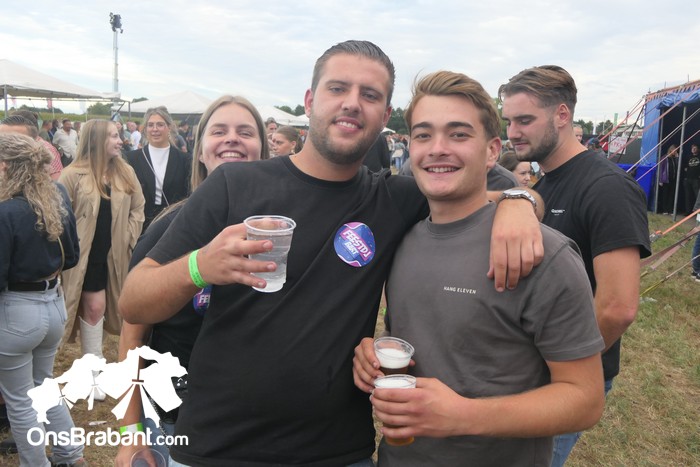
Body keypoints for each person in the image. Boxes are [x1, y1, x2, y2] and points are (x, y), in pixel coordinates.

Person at [118, 40, 542, 467]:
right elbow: (134, 302)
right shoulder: (233, 184)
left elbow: (481, 198)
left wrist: (518, 201)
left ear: (384, 116)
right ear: (309, 101)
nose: (352, 103)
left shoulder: (394, 200)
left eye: (370, 95)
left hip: (337, 452)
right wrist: (199, 266)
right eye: (338, 88)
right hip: (215, 449)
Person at [353, 70, 604, 467]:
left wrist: (463, 416)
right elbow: (429, 336)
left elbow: (585, 400)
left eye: (458, 134)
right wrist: (375, 352)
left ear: (491, 151)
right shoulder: (402, 239)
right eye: (423, 135)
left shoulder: (543, 254)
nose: (437, 149)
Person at [499, 65, 651, 466]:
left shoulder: (606, 188)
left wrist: (561, 368)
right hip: (534, 366)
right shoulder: (544, 184)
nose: (513, 132)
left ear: (562, 115)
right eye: (509, 121)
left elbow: (617, 307)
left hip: (564, 377)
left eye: (525, 120)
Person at [115, 95, 270, 466]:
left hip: (261, 426)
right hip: (180, 421)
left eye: (245, 132)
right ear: (200, 151)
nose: (231, 138)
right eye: (219, 131)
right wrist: (130, 434)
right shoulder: (170, 229)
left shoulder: (279, 232)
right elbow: (131, 335)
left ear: (264, 152)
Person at [0, 132, 86, 467]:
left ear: (6, 166)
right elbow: (72, 255)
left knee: (21, 401)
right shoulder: (57, 194)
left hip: (17, 311)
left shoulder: (6, 211)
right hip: (53, 304)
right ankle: (71, 455)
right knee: (44, 387)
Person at [58, 120, 144, 370]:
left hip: (116, 254)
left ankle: (94, 364)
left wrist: (128, 236)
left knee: (111, 311)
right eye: (114, 136)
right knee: (95, 308)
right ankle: (94, 367)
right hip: (86, 257)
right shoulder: (72, 175)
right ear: (96, 140)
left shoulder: (126, 172)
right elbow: (59, 217)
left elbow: (138, 207)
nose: (120, 141)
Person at [125, 107, 191, 230]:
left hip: (173, 226)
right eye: (150, 125)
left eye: (160, 125)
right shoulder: (131, 159)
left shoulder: (185, 160)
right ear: (145, 129)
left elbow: (188, 196)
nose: (155, 129)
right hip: (139, 226)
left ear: (169, 127)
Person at [0, 113, 63, 181]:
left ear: (34, 142)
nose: (6, 146)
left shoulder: (47, 153)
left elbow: (56, 181)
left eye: (17, 142)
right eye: (2, 140)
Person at [658, 144, 680, 214]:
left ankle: (670, 209)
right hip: (665, 179)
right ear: (671, 150)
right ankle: (664, 209)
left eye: (676, 151)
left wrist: (677, 158)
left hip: (673, 179)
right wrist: (660, 180)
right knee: (665, 195)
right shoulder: (664, 158)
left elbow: (678, 166)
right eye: (675, 151)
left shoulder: (674, 159)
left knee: (671, 195)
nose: (675, 152)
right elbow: (661, 169)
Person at [682, 143, 700, 214]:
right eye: (692, 148)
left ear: (698, 149)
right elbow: (685, 167)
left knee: (697, 196)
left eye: (695, 148)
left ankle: (697, 212)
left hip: (696, 179)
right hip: (688, 179)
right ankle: (688, 211)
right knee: (687, 196)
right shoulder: (688, 157)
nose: (693, 149)